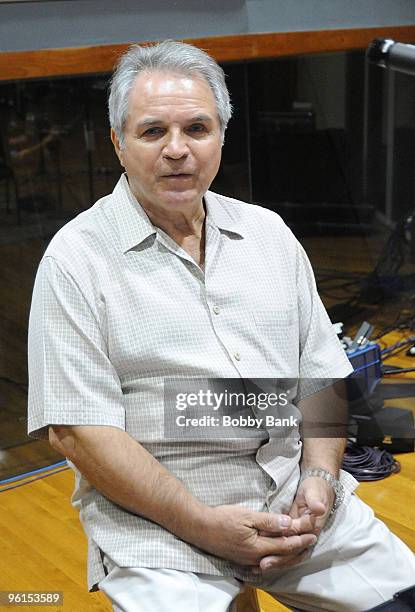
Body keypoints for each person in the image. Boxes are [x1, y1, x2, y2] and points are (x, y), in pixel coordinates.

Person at [27, 41, 415, 612]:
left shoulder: (270, 234)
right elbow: (80, 431)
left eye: (197, 129)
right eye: (153, 131)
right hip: (159, 529)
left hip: (298, 507)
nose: (177, 150)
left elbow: (322, 376)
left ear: (222, 137)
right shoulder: (75, 261)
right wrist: (204, 525)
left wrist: (320, 478)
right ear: (118, 142)